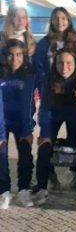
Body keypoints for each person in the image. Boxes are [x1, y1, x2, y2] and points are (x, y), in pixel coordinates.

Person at [33, 7, 76, 189]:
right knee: (47, 139)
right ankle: (44, 179)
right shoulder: (44, 44)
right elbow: (37, 68)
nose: (60, 21)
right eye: (56, 18)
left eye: (63, 18)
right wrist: (45, 84)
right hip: (52, 96)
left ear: (68, 20)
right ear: (51, 21)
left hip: (72, 99)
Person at [36, 48, 76, 205]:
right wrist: (45, 133)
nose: (64, 67)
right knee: (45, 145)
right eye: (60, 63)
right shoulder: (48, 79)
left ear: (75, 64)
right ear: (55, 64)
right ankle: (41, 186)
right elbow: (44, 109)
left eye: (68, 63)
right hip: (54, 114)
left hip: (75, 115)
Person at [0, 39, 36, 208]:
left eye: (19, 54)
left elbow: (32, 102)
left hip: (22, 123)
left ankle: (24, 190)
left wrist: (28, 128)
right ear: (4, 56)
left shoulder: (30, 75)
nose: (15, 59)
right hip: (2, 122)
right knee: (1, 156)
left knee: (25, 157)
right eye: (11, 55)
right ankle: (4, 191)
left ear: (24, 56)